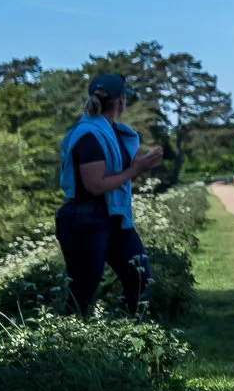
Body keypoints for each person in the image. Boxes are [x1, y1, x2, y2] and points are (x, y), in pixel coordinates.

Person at [56, 73, 165, 316]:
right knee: (81, 295)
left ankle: (128, 338)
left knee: (140, 278)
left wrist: (138, 167)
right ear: (120, 101)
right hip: (85, 219)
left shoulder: (113, 133)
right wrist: (135, 169)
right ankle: (65, 348)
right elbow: (95, 185)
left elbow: (116, 181)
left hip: (113, 217)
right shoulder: (89, 135)